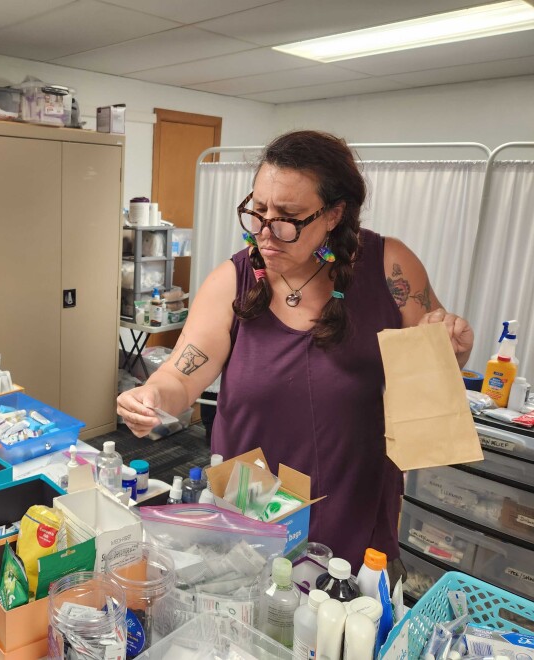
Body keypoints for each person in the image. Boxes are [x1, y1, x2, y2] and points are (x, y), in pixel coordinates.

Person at [117, 130, 474, 572]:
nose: (266, 233)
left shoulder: (390, 267)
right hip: (253, 505)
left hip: (352, 497)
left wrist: (453, 350)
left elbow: (431, 364)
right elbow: (182, 374)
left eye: (288, 217)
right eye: (258, 211)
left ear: (334, 214)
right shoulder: (234, 280)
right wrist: (151, 396)